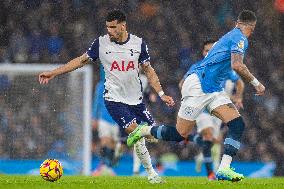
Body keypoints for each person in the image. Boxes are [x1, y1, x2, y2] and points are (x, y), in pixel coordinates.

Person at [38, 9, 175, 184]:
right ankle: (152, 174)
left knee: (152, 136)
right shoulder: (101, 44)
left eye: (112, 27)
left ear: (123, 26)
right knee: (136, 132)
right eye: (107, 27)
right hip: (114, 100)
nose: (109, 30)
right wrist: (54, 73)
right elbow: (80, 61)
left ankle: (124, 145)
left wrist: (161, 93)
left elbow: (149, 70)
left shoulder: (139, 44)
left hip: (136, 101)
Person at [127, 10, 265, 182]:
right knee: (180, 134)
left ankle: (223, 169)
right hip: (198, 85)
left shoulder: (231, 36)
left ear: (238, 23)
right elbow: (237, 65)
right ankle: (144, 130)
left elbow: (232, 72)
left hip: (213, 88)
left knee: (237, 124)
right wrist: (256, 83)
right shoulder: (240, 38)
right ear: (252, 27)